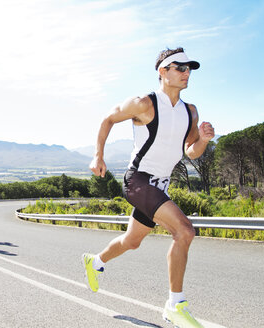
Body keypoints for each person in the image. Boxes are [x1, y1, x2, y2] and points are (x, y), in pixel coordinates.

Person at [83, 47, 214, 328]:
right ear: (163, 72)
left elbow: (190, 151)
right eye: (180, 67)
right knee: (184, 231)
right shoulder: (145, 103)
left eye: (189, 68)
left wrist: (202, 139)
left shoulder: (190, 111)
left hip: (159, 187)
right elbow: (108, 118)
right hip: (138, 181)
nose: (186, 73)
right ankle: (175, 305)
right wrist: (98, 154)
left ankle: (94, 262)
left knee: (132, 241)